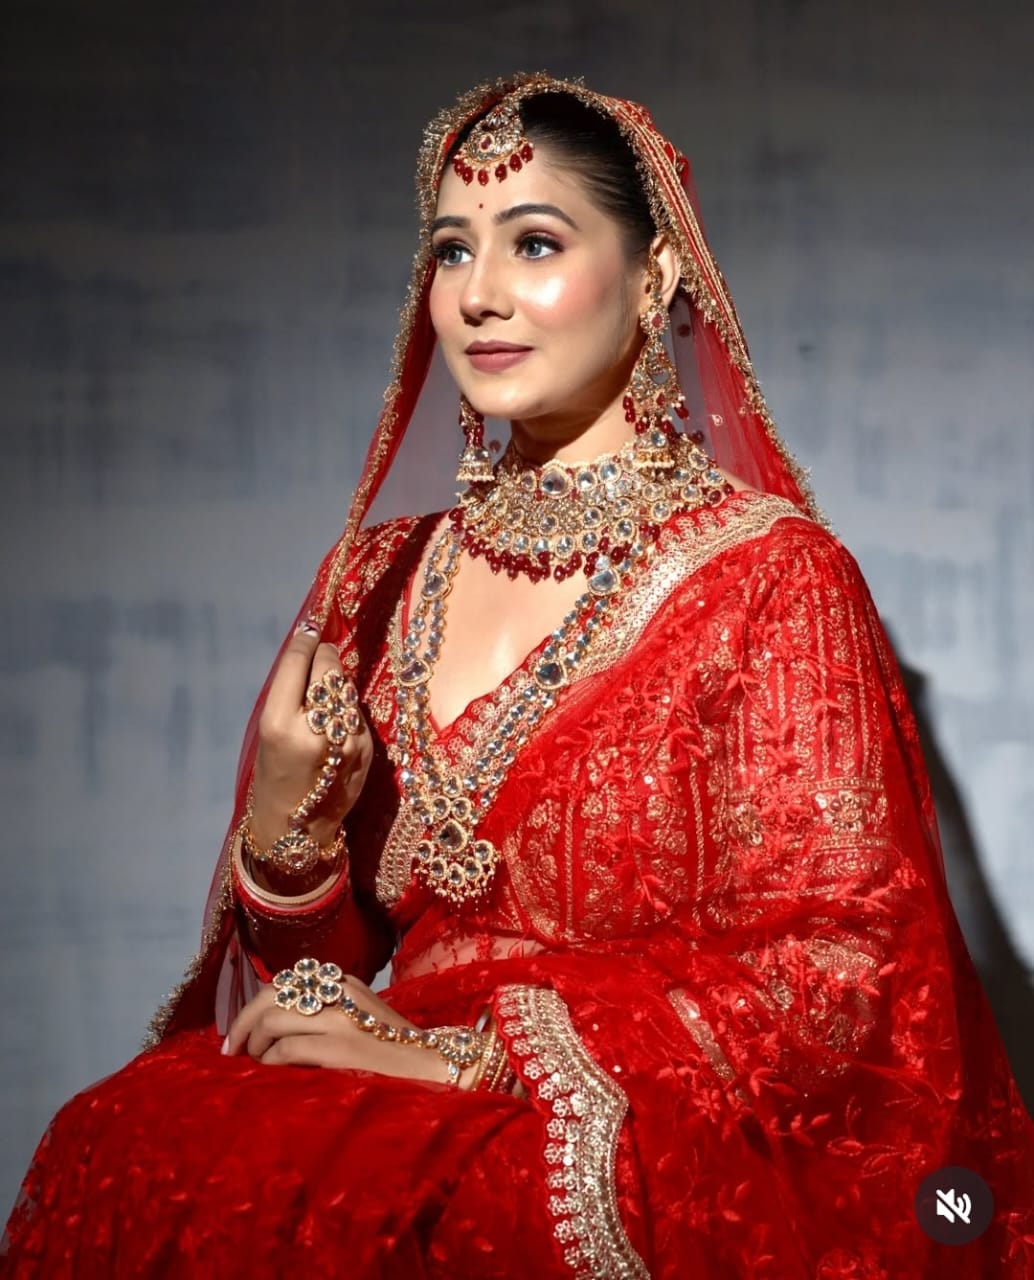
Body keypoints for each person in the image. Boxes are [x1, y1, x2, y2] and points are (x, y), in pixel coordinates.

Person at [3, 72, 1033, 1279]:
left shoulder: (769, 578)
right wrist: (288, 827)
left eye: (533, 242)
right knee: (122, 1135)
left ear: (653, 279)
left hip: (631, 1117)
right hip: (392, 1074)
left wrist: (473, 1059)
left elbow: (840, 974)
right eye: (451, 250)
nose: (476, 294)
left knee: (454, 1199)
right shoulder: (381, 575)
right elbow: (309, 975)